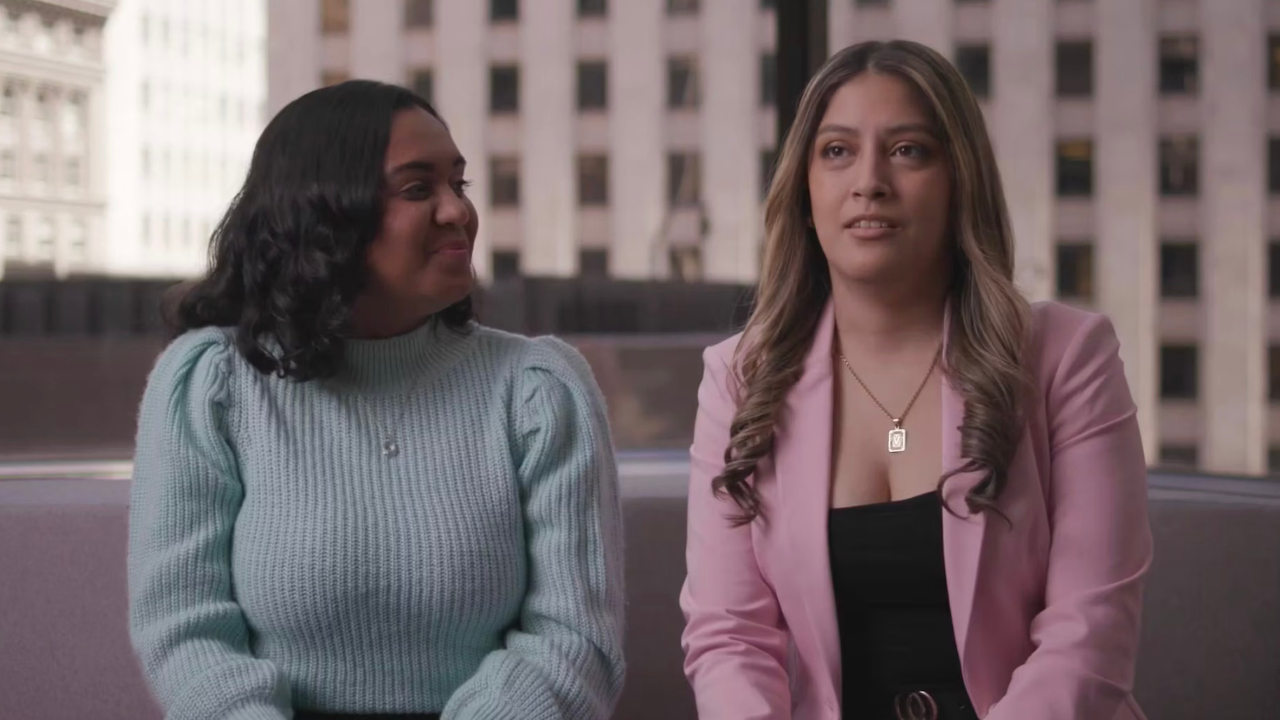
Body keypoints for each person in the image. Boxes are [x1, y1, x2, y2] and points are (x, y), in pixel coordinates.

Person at [681, 40, 1151, 720]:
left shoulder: (1067, 358)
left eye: (908, 150)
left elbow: (1090, 638)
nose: (869, 180)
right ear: (805, 193)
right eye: (837, 151)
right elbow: (730, 639)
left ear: (960, 181)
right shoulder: (738, 379)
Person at [127, 80, 626, 720]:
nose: (458, 211)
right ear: (323, 215)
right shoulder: (211, 383)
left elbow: (573, 641)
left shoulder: (539, 389)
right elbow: (185, 630)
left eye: (459, 184)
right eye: (418, 189)